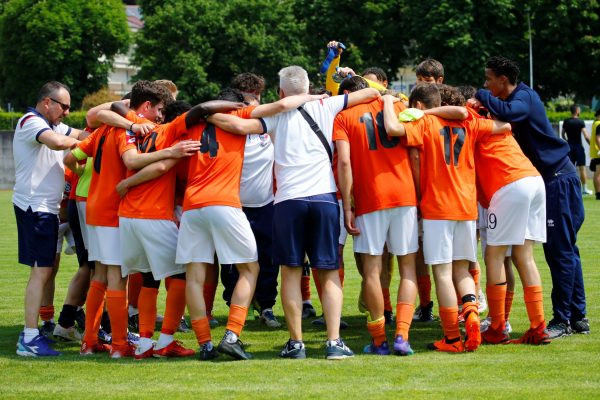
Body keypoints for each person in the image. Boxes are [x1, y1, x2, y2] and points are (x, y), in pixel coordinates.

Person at [65, 80, 192, 358]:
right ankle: (120, 344)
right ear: (144, 107)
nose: (160, 116)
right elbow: (132, 161)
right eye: (158, 109)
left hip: (92, 206)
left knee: (99, 273)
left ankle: (89, 341)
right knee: (116, 277)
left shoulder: (103, 130)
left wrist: (87, 176)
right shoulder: (127, 130)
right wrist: (170, 152)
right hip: (113, 209)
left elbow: (69, 158)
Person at [261, 65, 380, 360]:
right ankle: (333, 341)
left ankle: (296, 343)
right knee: (328, 272)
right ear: (308, 87)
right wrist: (326, 92)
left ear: (280, 92)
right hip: (324, 198)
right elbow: (371, 91)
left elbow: (245, 121)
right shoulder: (327, 104)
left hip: (287, 200)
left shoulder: (274, 112)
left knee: (290, 272)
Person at [383, 84, 511, 353]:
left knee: (442, 273)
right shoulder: (469, 122)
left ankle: (452, 338)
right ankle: (472, 314)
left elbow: (393, 129)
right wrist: (473, 114)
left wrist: (387, 101)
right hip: (466, 206)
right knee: (461, 269)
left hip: (437, 208)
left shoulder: (426, 122)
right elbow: (505, 127)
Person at [473, 56, 588, 339]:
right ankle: (578, 316)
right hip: (553, 179)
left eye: (489, 79)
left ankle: (562, 320)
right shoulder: (514, 100)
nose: (485, 84)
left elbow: (510, 113)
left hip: (558, 180)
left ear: (503, 80)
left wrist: (481, 96)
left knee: (560, 251)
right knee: (564, 251)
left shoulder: (524, 96)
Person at [334, 76, 418, 356]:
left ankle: (380, 340)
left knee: (371, 270)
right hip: (405, 194)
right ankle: (402, 337)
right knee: (407, 268)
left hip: (370, 197)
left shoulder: (344, 116)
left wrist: (347, 204)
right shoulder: (397, 102)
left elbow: (344, 162)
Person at [13, 81, 86, 356]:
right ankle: (29, 338)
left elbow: (79, 131)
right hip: (36, 208)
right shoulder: (31, 121)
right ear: (48, 102)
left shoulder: (54, 123)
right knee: (40, 271)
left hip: (46, 209)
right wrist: (85, 142)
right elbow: (57, 143)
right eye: (64, 106)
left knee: (45, 270)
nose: (67, 112)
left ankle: (35, 331)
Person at [562, 105, 592, 194]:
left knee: (570, 169)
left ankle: (569, 189)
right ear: (577, 111)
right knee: (582, 168)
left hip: (569, 147)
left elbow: (562, 134)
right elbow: (586, 135)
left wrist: (567, 140)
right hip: (578, 147)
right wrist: (591, 144)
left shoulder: (566, 121)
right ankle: (584, 189)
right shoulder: (580, 122)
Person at [590, 109, 600, 199]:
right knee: (598, 173)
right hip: (599, 152)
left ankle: (598, 193)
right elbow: (598, 138)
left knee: (596, 173)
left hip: (595, 152)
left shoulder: (594, 123)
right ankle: (598, 193)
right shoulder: (599, 124)